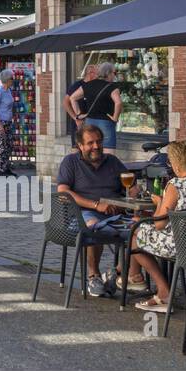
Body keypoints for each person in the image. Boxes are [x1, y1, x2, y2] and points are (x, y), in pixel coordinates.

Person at [122, 137, 186, 311]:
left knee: (134, 233)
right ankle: (131, 276)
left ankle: (161, 290)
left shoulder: (175, 185)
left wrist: (159, 202)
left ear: (176, 162)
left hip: (178, 245)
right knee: (141, 228)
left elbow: (159, 224)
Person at [56, 124, 129, 297]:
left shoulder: (113, 161)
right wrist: (96, 205)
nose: (96, 146)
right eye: (90, 143)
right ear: (80, 146)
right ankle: (93, 275)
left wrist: (132, 194)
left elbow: (130, 186)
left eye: (99, 142)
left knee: (141, 230)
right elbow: (63, 192)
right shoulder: (71, 162)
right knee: (94, 226)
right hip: (83, 213)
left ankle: (117, 273)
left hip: (114, 214)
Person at [69, 61, 122, 149]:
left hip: (90, 122)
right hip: (106, 122)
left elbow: (72, 98)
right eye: (114, 73)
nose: (115, 75)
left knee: (91, 151)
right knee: (108, 153)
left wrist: (78, 114)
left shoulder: (88, 85)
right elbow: (118, 102)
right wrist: (115, 118)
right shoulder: (112, 87)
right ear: (108, 73)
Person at [63, 64, 98, 145]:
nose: (98, 76)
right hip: (79, 123)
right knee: (77, 148)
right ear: (90, 73)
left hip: (92, 122)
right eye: (97, 74)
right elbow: (65, 102)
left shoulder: (96, 85)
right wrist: (75, 118)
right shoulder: (77, 85)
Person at [0, 69, 17, 177]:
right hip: (0, 122)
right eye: (12, 78)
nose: (13, 80)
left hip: (8, 121)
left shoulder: (9, 90)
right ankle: (0, 170)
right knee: (1, 147)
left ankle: (6, 168)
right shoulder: (0, 91)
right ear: (7, 80)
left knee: (9, 145)